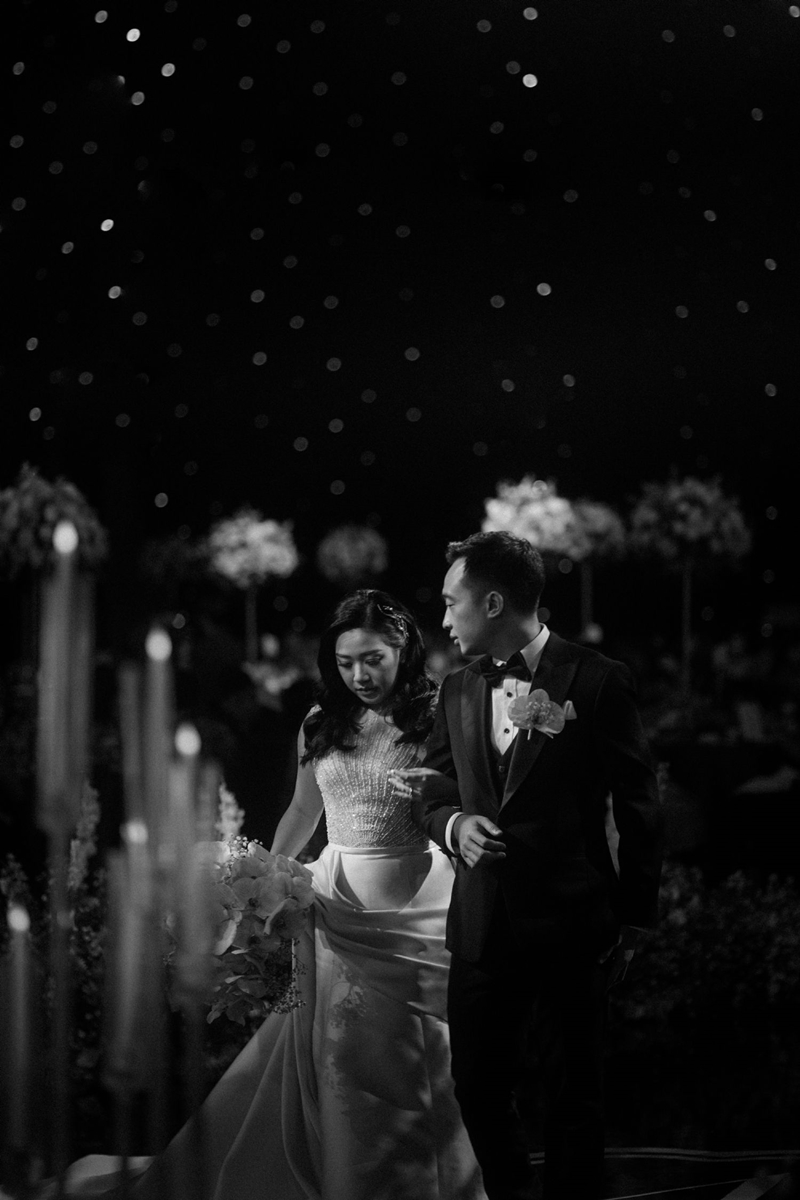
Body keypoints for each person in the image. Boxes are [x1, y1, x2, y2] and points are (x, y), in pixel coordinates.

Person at [52, 589, 486, 1200]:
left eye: (374, 660)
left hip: (420, 899)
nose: (359, 675)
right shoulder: (320, 722)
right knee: (347, 1055)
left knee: (425, 1055)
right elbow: (304, 808)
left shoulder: (439, 714)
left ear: (404, 652)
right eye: (346, 662)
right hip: (338, 903)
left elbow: (470, 797)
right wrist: (263, 880)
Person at [395, 532, 663, 1200]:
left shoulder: (597, 679)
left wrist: (636, 917)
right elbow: (430, 794)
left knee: (575, 1094)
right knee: (476, 1085)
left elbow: (640, 806)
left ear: (493, 603)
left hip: (573, 922)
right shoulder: (457, 688)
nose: (444, 619)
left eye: (452, 603)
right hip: (482, 923)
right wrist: (455, 826)